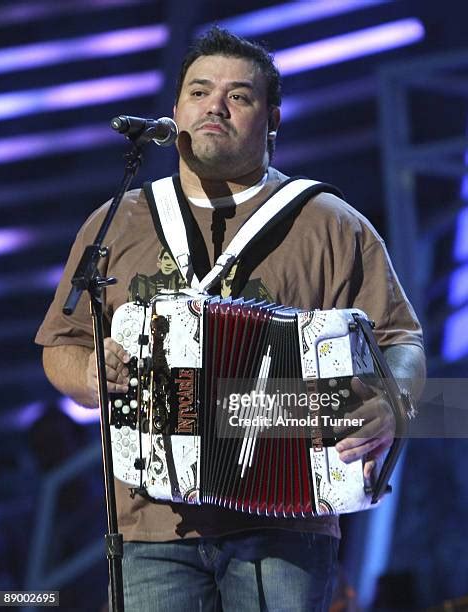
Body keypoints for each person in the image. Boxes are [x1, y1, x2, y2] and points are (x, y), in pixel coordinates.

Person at [36, 27, 425, 612]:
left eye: (238, 96)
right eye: (199, 91)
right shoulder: (116, 222)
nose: (214, 106)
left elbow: (402, 338)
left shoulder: (328, 222)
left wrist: (392, 403)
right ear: (174, 112)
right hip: (149, 526)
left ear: (272, 119)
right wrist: (90, 373)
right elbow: (58, 346)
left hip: (289, 523)